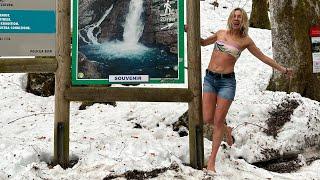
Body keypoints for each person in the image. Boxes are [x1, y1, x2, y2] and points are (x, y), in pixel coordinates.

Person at [185, 7, 293, 173]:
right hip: (210, 79)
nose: (236, 19)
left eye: (240, 17)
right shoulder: (220, 34)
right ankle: (226, 129)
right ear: (230, 18)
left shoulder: (245, 41)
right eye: (234, 16)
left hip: (227, 83)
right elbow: (201, 42)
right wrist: (189, 29)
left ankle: (212, 161)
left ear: (243, 21)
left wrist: (283, 69)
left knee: (217, 121)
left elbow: (263, 57)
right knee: (207, 118)